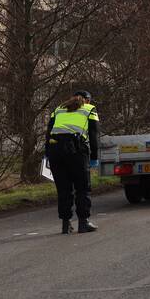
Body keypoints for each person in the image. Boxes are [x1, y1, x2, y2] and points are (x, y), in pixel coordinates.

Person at [45, 90, 99, 234]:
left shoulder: (58, 109)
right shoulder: (89, 109)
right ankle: (83, 223)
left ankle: (65, 224)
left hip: (55, 151)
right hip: (76, 151)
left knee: (63, 189)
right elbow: (93, 135)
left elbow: (48, 132)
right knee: (82, 188)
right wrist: (94, 157)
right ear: (87, 100)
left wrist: (47, 154)